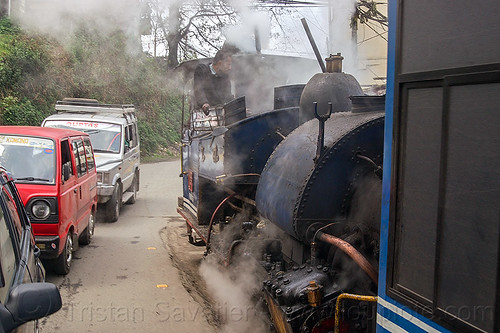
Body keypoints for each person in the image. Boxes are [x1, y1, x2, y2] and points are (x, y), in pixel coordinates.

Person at [193, 45, 238, 115]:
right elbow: (198, 89)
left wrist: (238, 107)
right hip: (201, 113)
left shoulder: (225, 76)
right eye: (228, 64)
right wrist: (204, 103)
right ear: (220, 63)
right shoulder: (202, 70)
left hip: (220, 114)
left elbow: (228, 96)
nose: (230, 68)